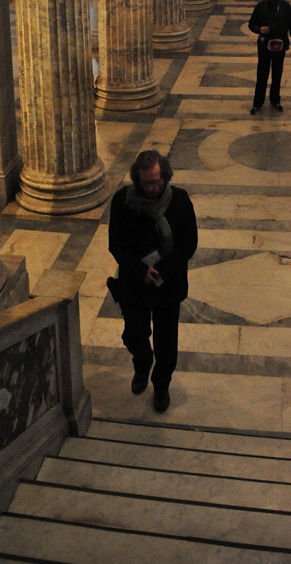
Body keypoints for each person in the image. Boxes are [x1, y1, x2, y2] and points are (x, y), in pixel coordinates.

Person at [107, 150, 197, 413]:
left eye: (157, 181)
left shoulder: (179, 200)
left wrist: (162, 271)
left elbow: (188, 243)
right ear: (137, 179)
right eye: (147, 182)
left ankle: (161, 386)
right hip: (135, 282)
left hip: (167, 283)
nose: (153, 187)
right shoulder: (123, 201)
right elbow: (116, 244)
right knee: (134, 333)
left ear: (165, 176)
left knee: (166, 340)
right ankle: (142, 362)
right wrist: (139, 271)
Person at [248, 0, 291, 113]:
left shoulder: (285, 6)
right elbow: (251, 24)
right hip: (264, 45)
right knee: (262, 74)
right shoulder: (260, 6)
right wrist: (259, 29)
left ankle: (275, 101)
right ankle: (257, 104)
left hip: (279, 45)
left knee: (277, 74)